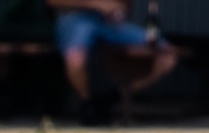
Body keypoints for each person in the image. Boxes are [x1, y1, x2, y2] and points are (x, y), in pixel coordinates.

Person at [48, 0, 177, 126]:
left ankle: (112, 99)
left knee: (168, 53)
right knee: (75, 57)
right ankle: (87, 107)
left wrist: (118, 9)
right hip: (75, 20)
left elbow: (126, 6)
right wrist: (96, 4)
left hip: (109, 24)